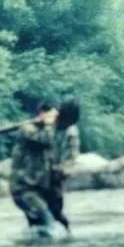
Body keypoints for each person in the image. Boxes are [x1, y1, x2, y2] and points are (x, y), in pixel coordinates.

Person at [10, 101, 58, 237]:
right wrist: (48, 124)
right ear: (42, 113)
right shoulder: (27, 129)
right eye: (52, 115)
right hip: (24, 189)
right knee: (48, 223)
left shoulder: (47, 130)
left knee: (37, 228)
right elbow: (46, 140)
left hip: (37, 189)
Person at [47, 99, 80, 231]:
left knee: (55, 210)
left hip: (56, 175)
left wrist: (59, 170)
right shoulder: (54, 125)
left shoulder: (71, 132)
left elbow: (70, 159)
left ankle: (65, 231)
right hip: (45, 172)